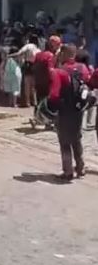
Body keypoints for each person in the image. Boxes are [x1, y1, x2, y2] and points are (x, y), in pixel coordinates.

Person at [48, 44, 91, 181]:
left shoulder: (60, 71)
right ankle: (81, 167)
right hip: (79, 109)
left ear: (64, 54)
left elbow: (54, 94)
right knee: (76, 138)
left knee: (64, 141)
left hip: (64, 110)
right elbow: (88, 83)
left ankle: (68, 171)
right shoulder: (83, 68)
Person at [11, 34, 40, 107]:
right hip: (36, 66)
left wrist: (10, 55)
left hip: (28, 65)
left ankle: (28, 102)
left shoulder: (28, 46)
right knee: (34, 85)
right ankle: (35, 101)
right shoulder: (38, 48)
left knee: (27, 84)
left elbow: (20, 53)